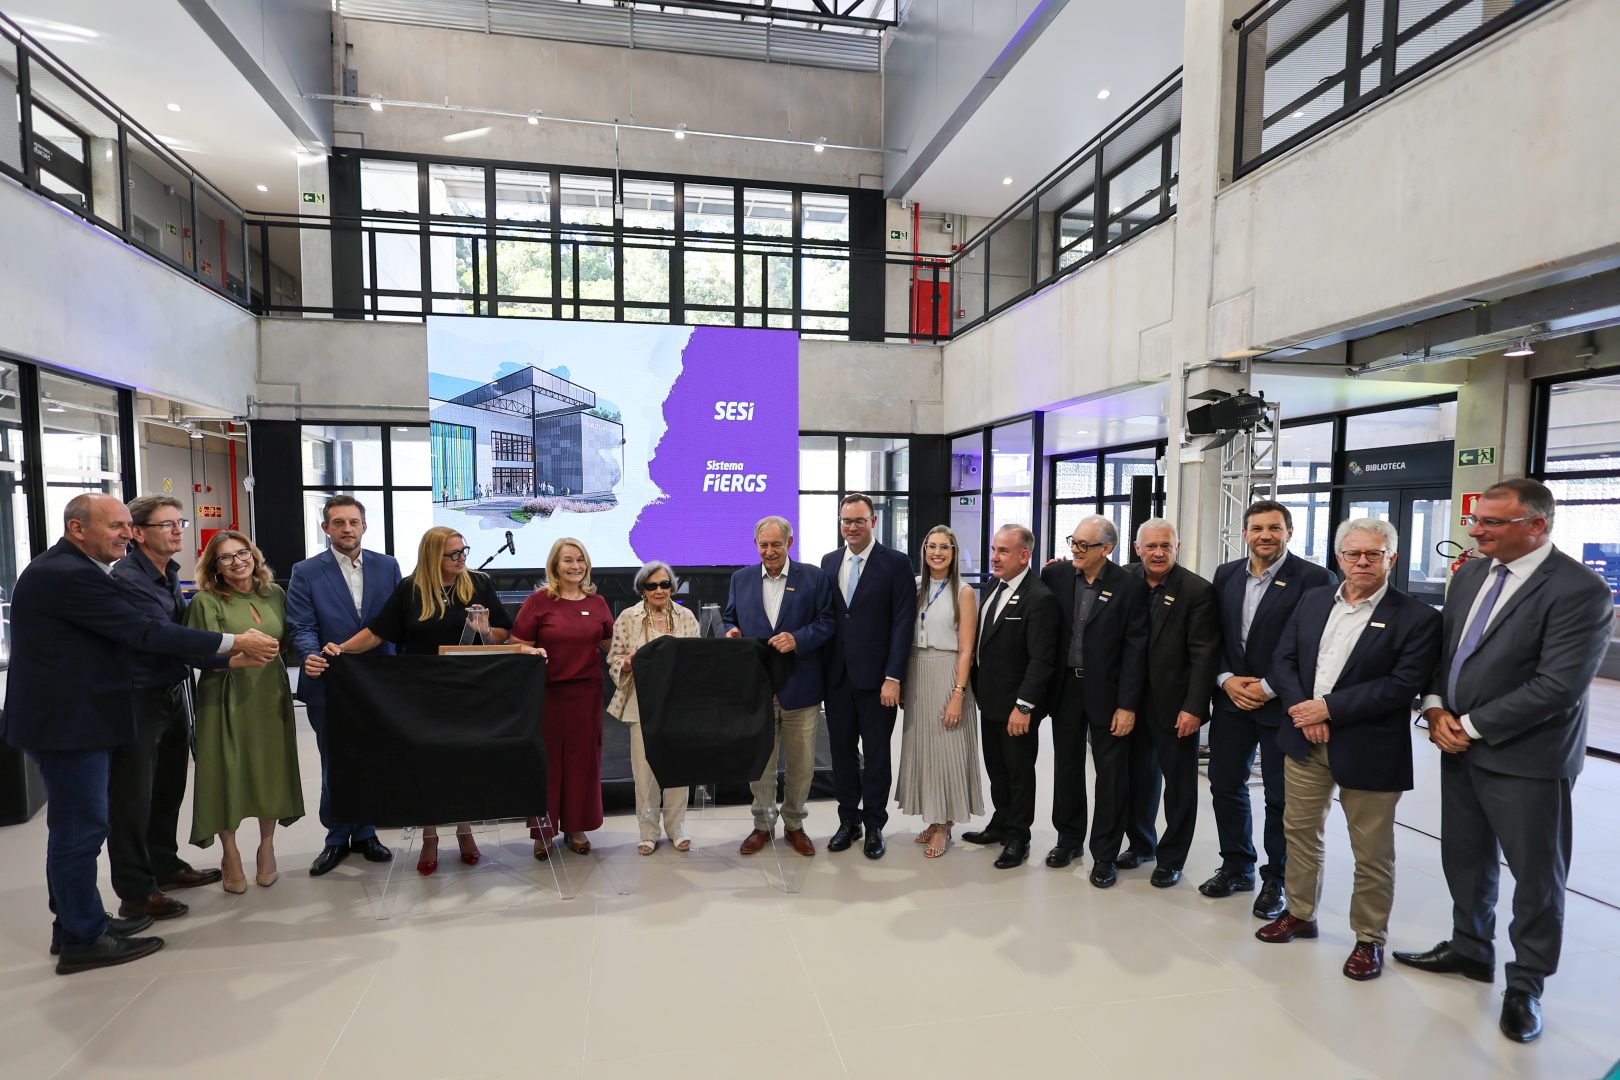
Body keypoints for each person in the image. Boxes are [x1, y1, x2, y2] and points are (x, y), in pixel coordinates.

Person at [2, 494, 275, 974]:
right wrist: (233, 642)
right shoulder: (72, 575)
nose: (126, 534)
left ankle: (75, 925)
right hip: (72, 722)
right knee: (81, 831)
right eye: (116, 526)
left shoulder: (78, 570)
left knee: (84, 827)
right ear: (77, 528)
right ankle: (84, 938)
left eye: (129, 525)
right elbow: (144, 633)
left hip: (79, 716)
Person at [1395, 479, 1612, 1043]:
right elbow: (1446, 654)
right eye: (1476, 519)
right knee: (1465, 859)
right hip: (1457, 747)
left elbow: (1558, 687)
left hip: (1528, 759)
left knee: (1537, 877)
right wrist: (1435, 707)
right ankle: (1470, 949)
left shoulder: (1580, 590)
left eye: (1491, 522)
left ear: (1537, 525)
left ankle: (1527, 984)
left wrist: (1468, 726)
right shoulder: (1471, 575)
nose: (1476, 531)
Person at [1262, 518, 1441, 982]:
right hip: (1304, 738)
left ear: (1391, 559)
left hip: (1369, 746)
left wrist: (1328, 709)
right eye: (1353, 553)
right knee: (1300, 833)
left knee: (1372, 851)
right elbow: (1283, 659)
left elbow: (1401, 685)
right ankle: (1299, 913)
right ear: (1339, 557)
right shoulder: (1314, 599)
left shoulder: (1417, 617)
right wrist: (1305, 711)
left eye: (1373, 554)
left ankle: (1369, 938)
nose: (1362, 561)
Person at [315, 526, 518, 875]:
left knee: (463, 762)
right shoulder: (411, 589)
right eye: (453, 554)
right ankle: (429, 835)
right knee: (428, 765)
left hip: (467, 689)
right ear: (433, 556)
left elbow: (502, 633)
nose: (461, 558)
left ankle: (465, 830)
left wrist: (484, 629)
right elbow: (378, 632)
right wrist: (342, 648)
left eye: (463, 550)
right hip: (422, 692)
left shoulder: (478, 583)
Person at [1203, 500, 1334, 919]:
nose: (1265, 535)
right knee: (1225, 785)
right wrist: (1225, 678)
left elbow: (1314, 647)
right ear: (1244, 534)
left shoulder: (1316, 579)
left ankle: (1276, 879)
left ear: (1289, 533)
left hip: (1284, 706)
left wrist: (1267, 686)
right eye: (1257, 528)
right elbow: (1214, 636)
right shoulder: (1226, 574)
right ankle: (1236, 866)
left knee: (1281, 797)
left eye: (1274, 528)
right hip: (1231, 701)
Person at [105, 496, 230, 923]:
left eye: (180, 522)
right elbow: (158, 636)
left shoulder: (168, 572)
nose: (177, 530)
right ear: (138, 533)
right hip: (138, 698)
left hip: (172, 691)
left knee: (168, 786)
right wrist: (230, 648)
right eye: (166, 524)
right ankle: (136, 893)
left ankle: (164, 865)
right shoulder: (128, 579)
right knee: (132, 798)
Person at [184, 531, 305, 893]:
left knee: (269, 768)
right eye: (226, 557)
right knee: (226, 770)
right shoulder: (206, 601)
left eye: (243, 553)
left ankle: (267, 847)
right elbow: (194, 653)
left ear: (254, 555)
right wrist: (236, 656)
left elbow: (289, 638)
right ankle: (230, 852)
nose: (237, 562)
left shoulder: (274, 594)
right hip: (224, 694)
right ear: (215, 566)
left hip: (269, 692)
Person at [286, 495, 401, 877]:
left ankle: (366, 832)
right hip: (329, 680)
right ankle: (336, 836)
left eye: (353, 522)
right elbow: (302, 625)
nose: (346, 528)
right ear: (326, 528)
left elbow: (396, 622)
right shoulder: (306, 571)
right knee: (334, 761)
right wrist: (310, 655)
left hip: (378, 682)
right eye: (338, 522)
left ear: (364, 526)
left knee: (372, 759)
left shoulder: (388, 567)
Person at [1038, 515, 1149, 887]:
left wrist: (1127, 705)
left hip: (1110, 694)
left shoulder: (1128, 587)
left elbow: (1135, 650)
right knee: (1067, 767)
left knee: (1111, 776)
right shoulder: (1055, 576)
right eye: (1074, 541)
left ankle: (1105, 854)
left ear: (1107, 548)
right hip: (1065, 688)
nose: (1076, 549)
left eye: (1084, 545)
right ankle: (1068, 839)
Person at [723, 515, 835, 857]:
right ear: (755, 545)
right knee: (761, 763)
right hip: (757, 689)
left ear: (790, 543)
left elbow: (827, 621)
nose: (769, 551)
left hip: (801, 687)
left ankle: (795, 825)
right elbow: (730, 618)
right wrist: (731, 632)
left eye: (776, 544)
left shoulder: (814, 577)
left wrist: (798, 639)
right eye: (764, 545)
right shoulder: (740, 578)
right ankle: (763, 824)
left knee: (801, 766)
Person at [1125, 518, 1221, 888]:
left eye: (1165, 545)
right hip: (1130, 703)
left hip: (1177, 706)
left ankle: (1171, 859)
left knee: (1179, 786)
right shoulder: (1126, 579)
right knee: (1138, 778)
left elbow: (1204, 655)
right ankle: (1141, 844)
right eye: (1151, 546)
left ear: (1176, 547)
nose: (1158, 552)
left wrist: (1194, 707)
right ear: (1138, 548)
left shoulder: (1197, 590)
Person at [819, 493, 914, 859]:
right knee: (842, 754)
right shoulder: (829, 562)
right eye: (847, 521)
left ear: (873, 521)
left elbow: (902, 623)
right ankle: (848, 820)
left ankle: (874, 824)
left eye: (859, 520)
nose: (853, 527)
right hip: (837, 678)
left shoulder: (896, 563)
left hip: (878, 682)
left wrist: (894, 676)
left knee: (876, 755)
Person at [962, 524, 1060, 870]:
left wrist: (1024, 706)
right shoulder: (994, 585)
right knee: (997, 768)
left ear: (1024, 555)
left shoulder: (1040, 598)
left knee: (1018, 773)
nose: (994, 557)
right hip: (990, 700)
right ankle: (1001, 821)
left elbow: (1041, 659)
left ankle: (1019, 836)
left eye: (1003, 551)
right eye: (994, 549)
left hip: (1017, 706)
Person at [512, 538, 614, 858]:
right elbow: (515, 644)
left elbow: (613, 646)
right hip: (548, 697)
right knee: (548, 765)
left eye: (580, 559)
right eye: (568, 560)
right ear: (555, 565)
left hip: (587, 696)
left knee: (583, 763)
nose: (575, 566)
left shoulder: (597, 603)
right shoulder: (538, 602)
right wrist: (530, 650)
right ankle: (543, 833)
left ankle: (576, 827)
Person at [894, 525, 983, 859]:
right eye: (931, 546)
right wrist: (903, 681)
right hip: (917, 671)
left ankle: (944, 825)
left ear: (954, 552)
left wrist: (958, 694)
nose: (937, 553)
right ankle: (934, 818)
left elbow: (966, 650)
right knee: (925, 751)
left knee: (947, 751)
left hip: (948, 673)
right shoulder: (915, 586)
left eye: (944, 547)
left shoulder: (964, 592)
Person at [606, 560, 699, 854]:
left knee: (678, 768)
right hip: (640, 702)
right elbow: (613, 658)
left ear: (672, 587)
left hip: (677, 703)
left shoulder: (686, 617)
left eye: (664, 584)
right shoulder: (627, 617)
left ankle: (676, 828)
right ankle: (648, 831)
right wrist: (627, 663)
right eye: (652, 585)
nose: (659, 590)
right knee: (645, 772)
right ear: (642, 589)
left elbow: (696, 656)